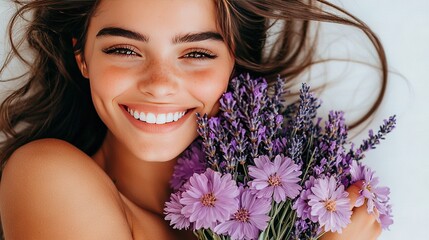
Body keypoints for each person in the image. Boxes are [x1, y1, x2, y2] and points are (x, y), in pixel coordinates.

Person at [0, 0, 387, 239]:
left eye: (197, 54)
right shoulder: (45, 175)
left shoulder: (272, 219)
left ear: (234, 66)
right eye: (124, 49)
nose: (160, 85)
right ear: (82, 57)